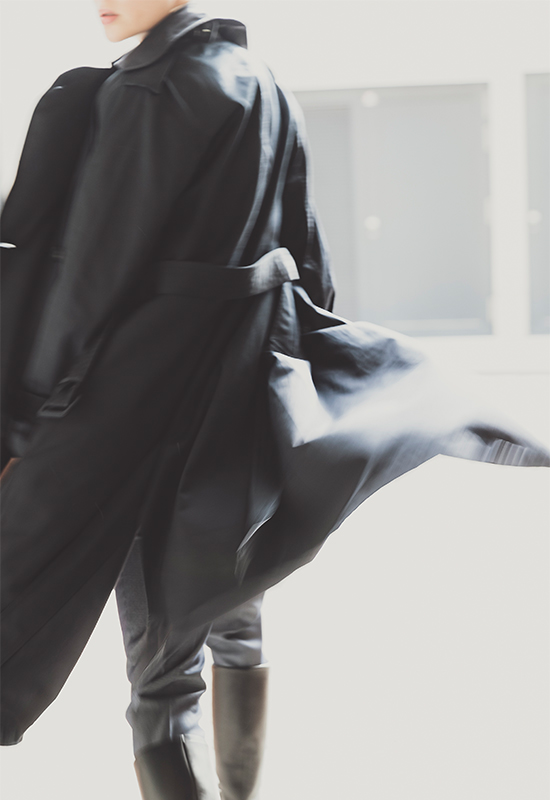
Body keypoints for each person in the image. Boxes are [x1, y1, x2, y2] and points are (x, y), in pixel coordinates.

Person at [1, 2, 548, 799]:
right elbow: (310, 255)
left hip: (145, 407)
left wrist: (25, 415)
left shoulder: (149, 90)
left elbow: (93, 274)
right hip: (244, 389)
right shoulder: (259, 79)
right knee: (232, 604)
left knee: (161, 672)